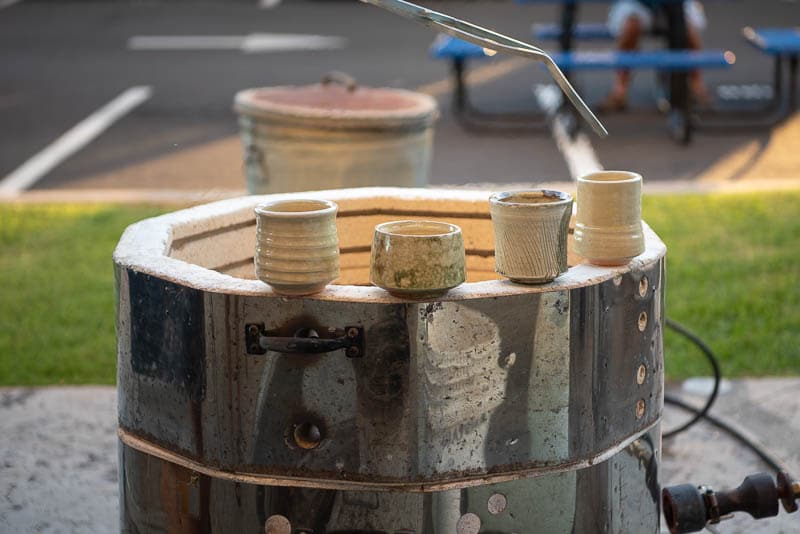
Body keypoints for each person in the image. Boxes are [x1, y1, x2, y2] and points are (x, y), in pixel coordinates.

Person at [602, 0, 710, 111]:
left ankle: (696, 85)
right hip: (637, 4)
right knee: (630, 27)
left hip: (678, 5)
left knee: (688, 30)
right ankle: (619, 91)